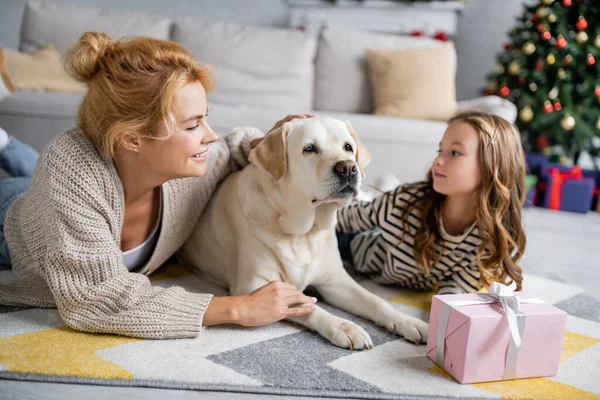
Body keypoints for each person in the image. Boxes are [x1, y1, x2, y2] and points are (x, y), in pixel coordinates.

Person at [0, 31, 317, 338]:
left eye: (205, 118)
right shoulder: (68, 172)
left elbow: (233, 148)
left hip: (63, 192)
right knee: (30, 183)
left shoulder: (192, 168)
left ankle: (6, 145)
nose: (209, 134)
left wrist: (270, 145)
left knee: (35, 176)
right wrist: (236, 309)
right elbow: (96, 298)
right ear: (132, 138)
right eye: (193, 125)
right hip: (9, 221)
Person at [337, 111, 527, 294]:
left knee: (381, 195)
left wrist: (446, 313)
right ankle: (379, 188)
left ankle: (383, 185)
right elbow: (341, 219)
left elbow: (458, 287)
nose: (437, 160)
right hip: (355, 244)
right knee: (347, 209)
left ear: (493, 166)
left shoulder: (489, 235)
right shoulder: (405, 202)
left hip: (402, 259)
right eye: (440, 150)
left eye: (454, 152)